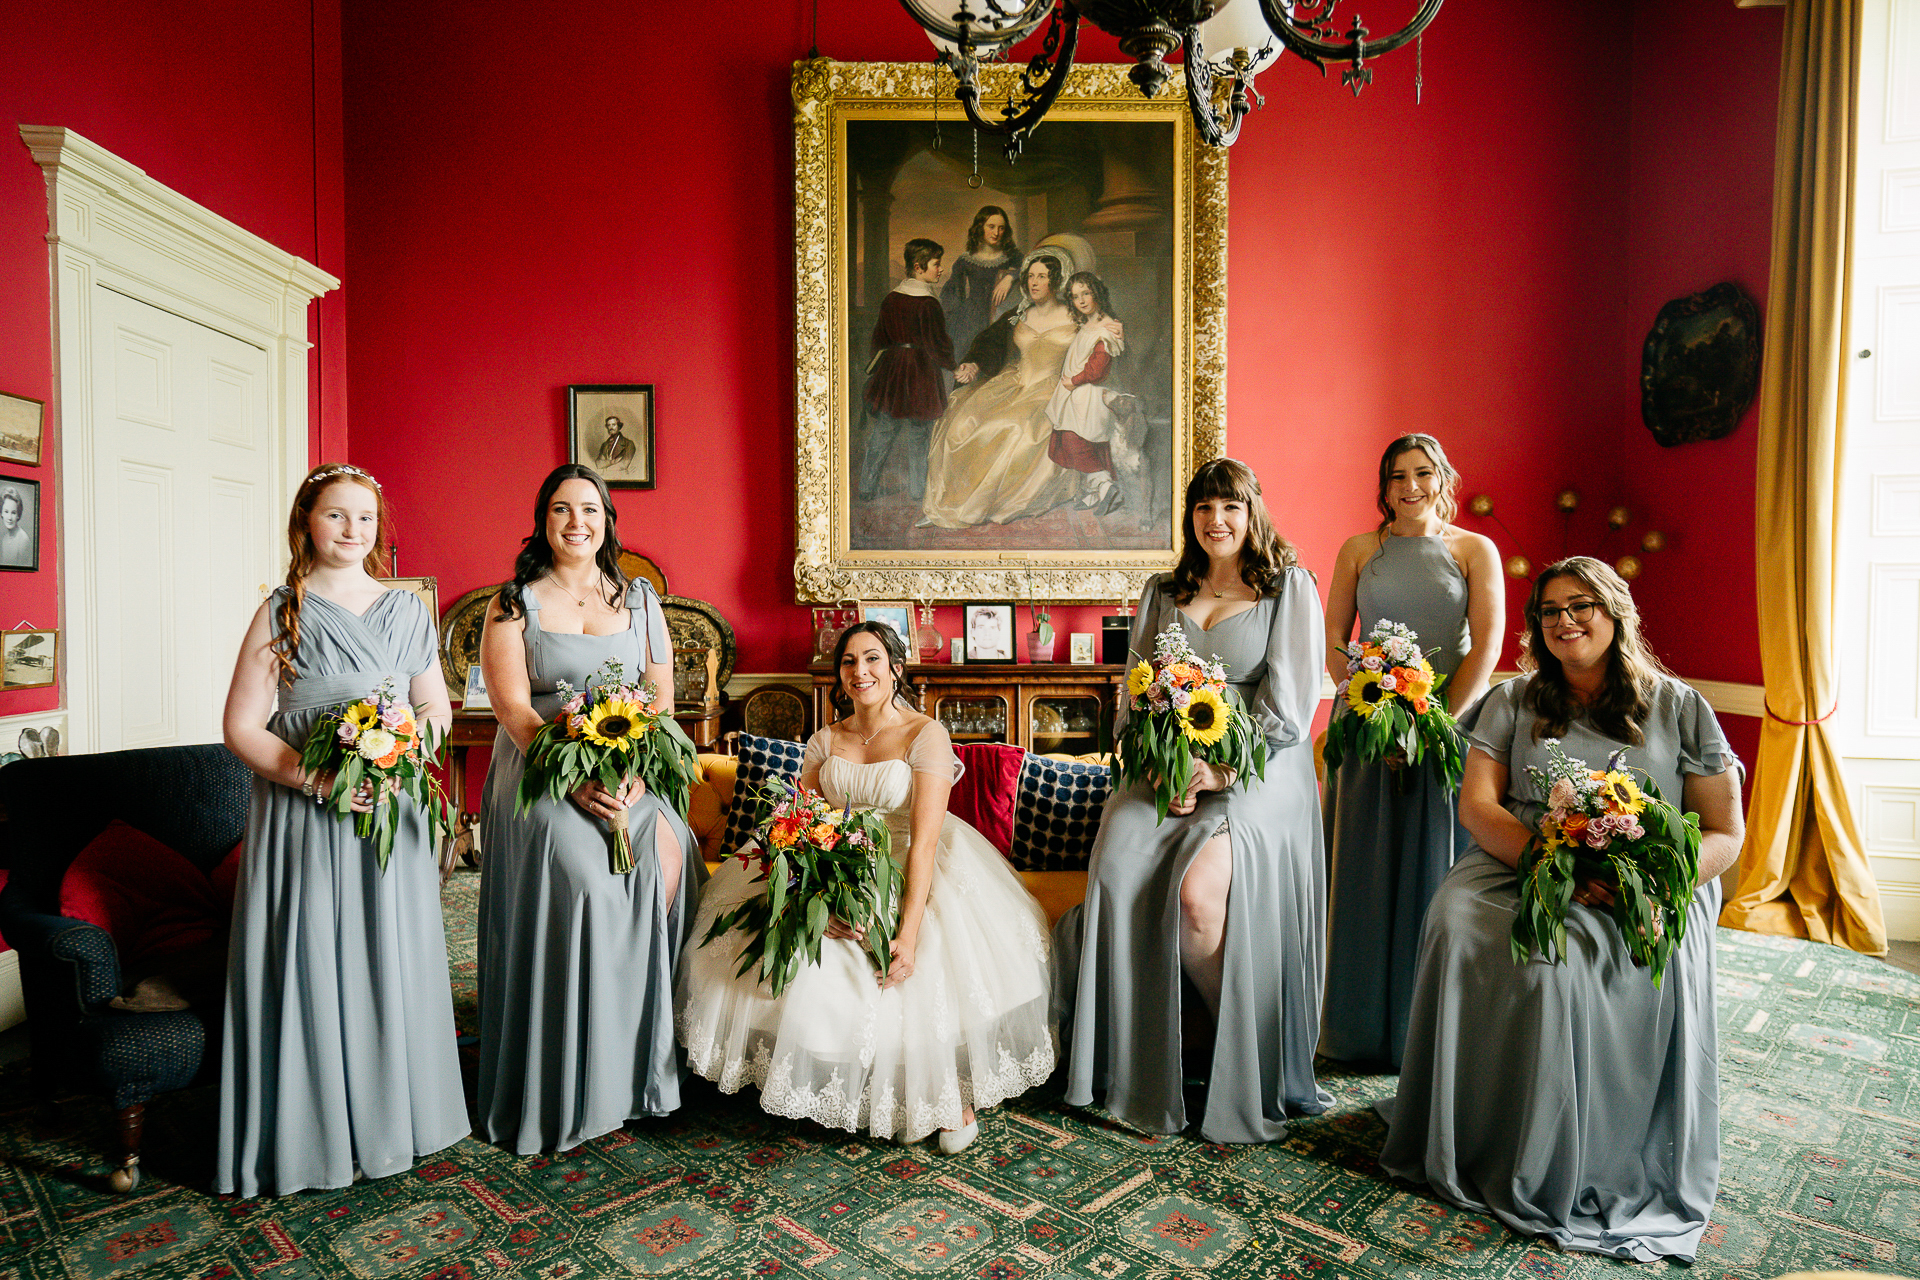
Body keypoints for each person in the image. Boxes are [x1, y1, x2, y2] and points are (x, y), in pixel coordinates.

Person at [1378, 557, 1744, 1263]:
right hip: (1523, 856)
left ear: (1615, 614)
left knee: (1562, 955)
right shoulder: (1514, 699)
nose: (1565, 622)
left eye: (1581, 607)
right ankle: (1470, 1128)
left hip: (1644, 875)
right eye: (1549, 611)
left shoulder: (1680, 706)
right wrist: (1553, 867)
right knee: (1456, 918)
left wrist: (1655, 882)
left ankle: (1572, 1151)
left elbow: (1724, 831)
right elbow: (1479, 805)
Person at [677, 622, 1055, 1152]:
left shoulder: (927, 734)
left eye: (872, 659)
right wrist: (815, 895)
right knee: (807, 953)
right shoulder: (825, 739)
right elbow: (797, 825)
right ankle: (848, 1090)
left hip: (909, 862)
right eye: (849, 662)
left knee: (913, 970)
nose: (861, 672)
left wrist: (909, 933)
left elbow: (924, 844)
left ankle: (947, 1095)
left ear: (896, 668)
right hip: (834, 861)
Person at [1054, 458, 1330, 1143]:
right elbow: (1135, 692)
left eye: (1230, 507)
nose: (1217, 520)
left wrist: (1218, 772)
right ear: (1190, 518)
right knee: (1116, 861)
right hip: (1166, 766)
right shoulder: (1161, 591)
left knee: (1198, 899)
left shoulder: (1289, 587)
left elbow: (1291, 709)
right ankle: (1141, 1054)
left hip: (1257, 770)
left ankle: (1241, 1051)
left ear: (1253, 512)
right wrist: (1162, 764)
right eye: (1204, 508)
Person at [216, 462, 467, 1197]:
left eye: (363, 518)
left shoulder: (407, 610)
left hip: (394, 812)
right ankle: (314, 1132)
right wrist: (318, 780)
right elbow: (238, 727)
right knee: (315, 955)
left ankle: (397, 1119)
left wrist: (401, 760)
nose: (351, 531)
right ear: (306, 523)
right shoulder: (279, 611)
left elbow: (436, 710)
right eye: (335, 516)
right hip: (306, 817)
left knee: (390, 954)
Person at [476, 463, 705, 1153]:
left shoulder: (640, 600)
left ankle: (647, 1065)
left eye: (590, 511)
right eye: (561, 510)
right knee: (583, 881)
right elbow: (514, 709)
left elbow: (660, 699)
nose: (577, 522)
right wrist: (570, 780)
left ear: (608, 522)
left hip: (628, 763)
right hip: (543, 771)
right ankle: (575, 1074)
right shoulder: (511, 604)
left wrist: (634, 772)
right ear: (543, 521)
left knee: (668, 863)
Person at [1319, 434, 1502, 1068]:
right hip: (1366, 726)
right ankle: (1354, 1026)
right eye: (1397, 476)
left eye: (1422, 473)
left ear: (1443, 478)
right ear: (1384, 486)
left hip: (1446, 732)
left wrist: (1438, 725)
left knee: (1436, 873)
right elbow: (1333, 640)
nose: (1410, 486)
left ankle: (1425, 1033)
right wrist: (1370, 709)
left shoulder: (1475, 550)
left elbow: (1486, 646)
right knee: (1361, 872)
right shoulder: (1359, 550)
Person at [918, 251, 1084, 529]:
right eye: (1030, 276)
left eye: (1041, 277)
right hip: (1014, 382)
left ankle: (981, 505)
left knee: (1013, 426)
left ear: (1055, 281)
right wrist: (973, 362)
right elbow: (989, 341)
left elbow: (1096, 345)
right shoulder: (1017, 314)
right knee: (962, 422)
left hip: (1051, 389)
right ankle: (952, 501)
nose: (1034, 282)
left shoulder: (1076, 315)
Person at [858, 238, 956, 502]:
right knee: (919, 431)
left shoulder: (891, 298)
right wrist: (953, 365)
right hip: (920, 371)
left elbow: (879, 337)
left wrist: (883, 366)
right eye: (936, 264)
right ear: (918, 266)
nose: (940, 269)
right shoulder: (928, 303)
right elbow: (938, 344)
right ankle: (917, 489)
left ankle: (866, 486)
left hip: (892, 370)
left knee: (884, 428)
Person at [1044, 271, 1132, 516]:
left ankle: (1105, 487)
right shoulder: (1087, 324)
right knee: (1078, 442)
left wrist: (1074, 380)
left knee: (1076, 441)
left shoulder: (1108, 328)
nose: (1081, 300)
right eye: (1074, 297)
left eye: (1086, 294)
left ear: (1097, 293)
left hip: (1090, 394)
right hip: (1077, 395)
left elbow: (1097, 370)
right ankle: (1097, 492)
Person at [941, 205, 1021, 359]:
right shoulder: (965, 260)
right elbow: (954, 294)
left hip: (999, 315)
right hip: (970, 317)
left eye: (1001, 228)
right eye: (991, 227)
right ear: (980, 227)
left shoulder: (1011, 256)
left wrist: (1009, 278)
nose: (996, 233)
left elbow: (1030, 266)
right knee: (965, 357)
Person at [0, 485, 31, 567]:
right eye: (6, 511)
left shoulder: (23, 540)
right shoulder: (4, 539)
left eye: (13, 513)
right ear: (1, 513)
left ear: (18, 515)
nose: (9, 518)